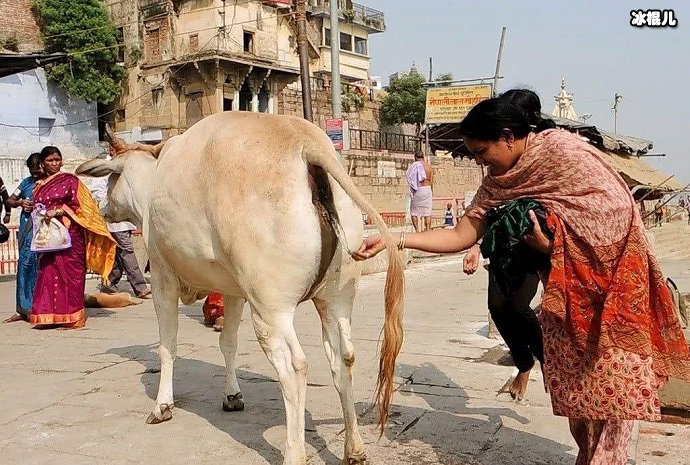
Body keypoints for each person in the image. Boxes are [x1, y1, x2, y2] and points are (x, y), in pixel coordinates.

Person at [354, 98, 690, 465]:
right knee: (580, 393)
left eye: (483, 152)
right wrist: (394, 239)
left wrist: (553, 244)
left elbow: (615, 213)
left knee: (614, 390)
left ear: (508, 136)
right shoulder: (499, 182)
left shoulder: (562, 152)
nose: (481, 163)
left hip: (614, 293)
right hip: (565, 299)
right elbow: (460, 234)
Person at [463, 88, 556, 401]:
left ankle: (545, 361)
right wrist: (474, 247)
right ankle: (525, 363)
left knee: (517, 306)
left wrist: (547, 246)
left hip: (534, 244)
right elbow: (483, 212)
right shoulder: (498, 172)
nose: (479, 161)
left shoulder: (548, 157)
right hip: (503, 245)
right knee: (497, 306)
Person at [30, 146, 117, 329]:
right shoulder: (39, 186)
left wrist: (60, 211)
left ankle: (73, 316)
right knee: (47, 274)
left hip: (70, 236)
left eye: (57, 160)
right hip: (47, 237)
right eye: (50, 161)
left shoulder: (70, 181)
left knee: (71, 275)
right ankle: (49, 316)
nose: (54, 163)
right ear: (43, 164)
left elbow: (85, 207)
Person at [86, 167, 151, 299]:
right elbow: (97, 191)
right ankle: (140, 286)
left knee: (117, 251)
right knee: (127, 249)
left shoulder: (128, 167)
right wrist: (112, 200)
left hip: (126, 217)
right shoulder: (105, 169)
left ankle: (109, 283)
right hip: (113, 217)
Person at [3, 154, 43, 323]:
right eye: (32, 172)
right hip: (27, 232)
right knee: (25, 266)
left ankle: (41, 308)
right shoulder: (26, 183)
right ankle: (23, 309)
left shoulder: (51, 182)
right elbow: (10, 200)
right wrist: (20, 204)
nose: (35, 175)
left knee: (43, 269)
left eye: (37, 171)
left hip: (45, 233)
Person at [406, 152, 433, 232]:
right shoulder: (429, 167)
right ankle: (428, 230)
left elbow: (409, 177)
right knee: (427, 212)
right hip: (428, 189)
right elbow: (431, 181)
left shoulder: (414, 166)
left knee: (414, 212)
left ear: (415, 157)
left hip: (418, 189)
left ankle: (417, 230)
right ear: (423, 157)